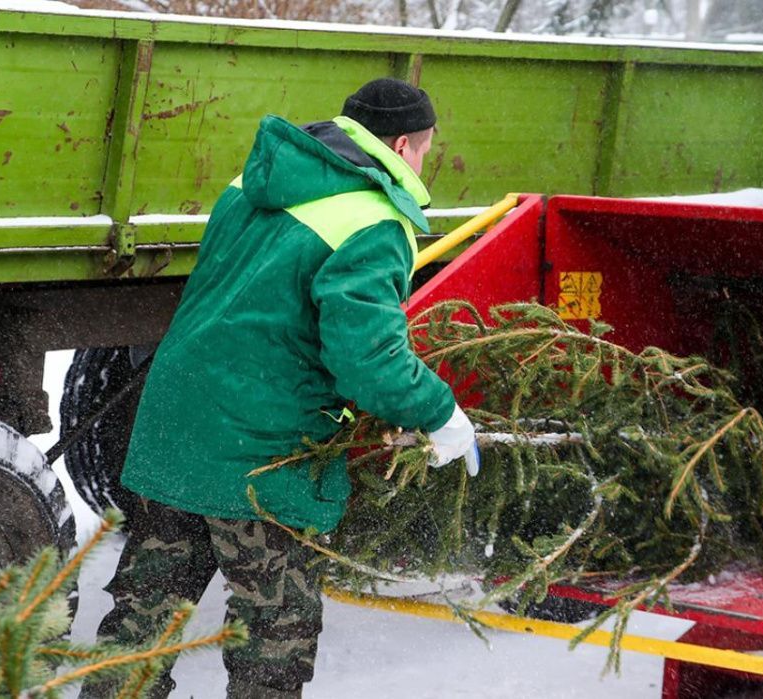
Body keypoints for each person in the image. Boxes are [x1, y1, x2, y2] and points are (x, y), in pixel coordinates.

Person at [80, 78, 480, 699]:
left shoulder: (255, 181)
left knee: (140, 626)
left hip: (178, 423)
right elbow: (367, 357)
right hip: (264, 453)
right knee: (273, 643)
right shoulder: (374, 219)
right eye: (424, 151)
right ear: (403, 145)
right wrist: (438, 411)